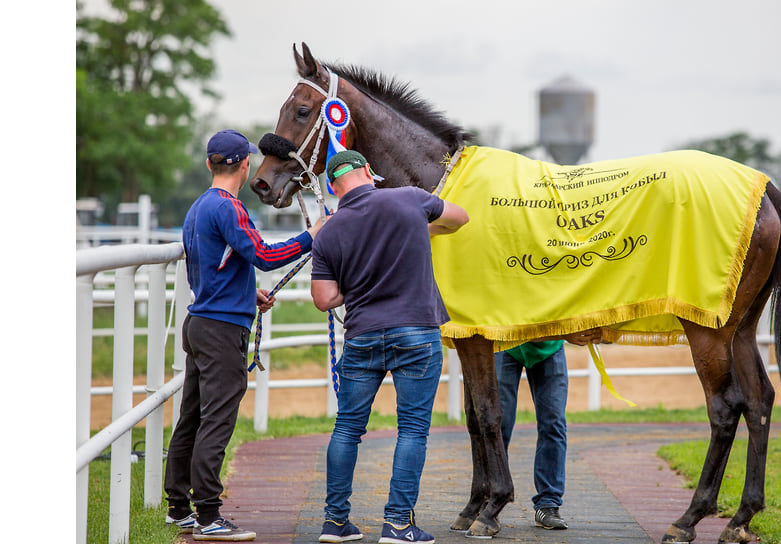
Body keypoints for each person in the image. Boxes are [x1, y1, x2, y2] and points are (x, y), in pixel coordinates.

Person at [164, 129, 323, 541]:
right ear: (245, 164)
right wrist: (312, 237)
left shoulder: (197, 208)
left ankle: (179, 506)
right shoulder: (230, 209)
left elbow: (207, 266)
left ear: (209, 164)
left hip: (201, 323)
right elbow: (266, 256)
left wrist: (247, 293)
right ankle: (209, 515)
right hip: (221, 330)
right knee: (216, 419)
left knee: (192, 417)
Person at [310, 150, 469, 544]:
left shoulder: (328, 230)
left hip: (363, 334)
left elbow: (324, 299)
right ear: (368, 172)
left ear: (333, 186)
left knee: (347, 428)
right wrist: (423, 230)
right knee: (412, 430)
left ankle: (335, 522)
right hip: (417, 331)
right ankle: (398, 524)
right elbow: (460, 217)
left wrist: (363, 279)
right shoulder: (409, 198)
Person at [496, 328, 603, 531]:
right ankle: (489, 498)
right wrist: (564, 334)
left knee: (553, 422)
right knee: (498, 424)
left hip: (550, 345)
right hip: (506, 338)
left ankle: (549, 503)